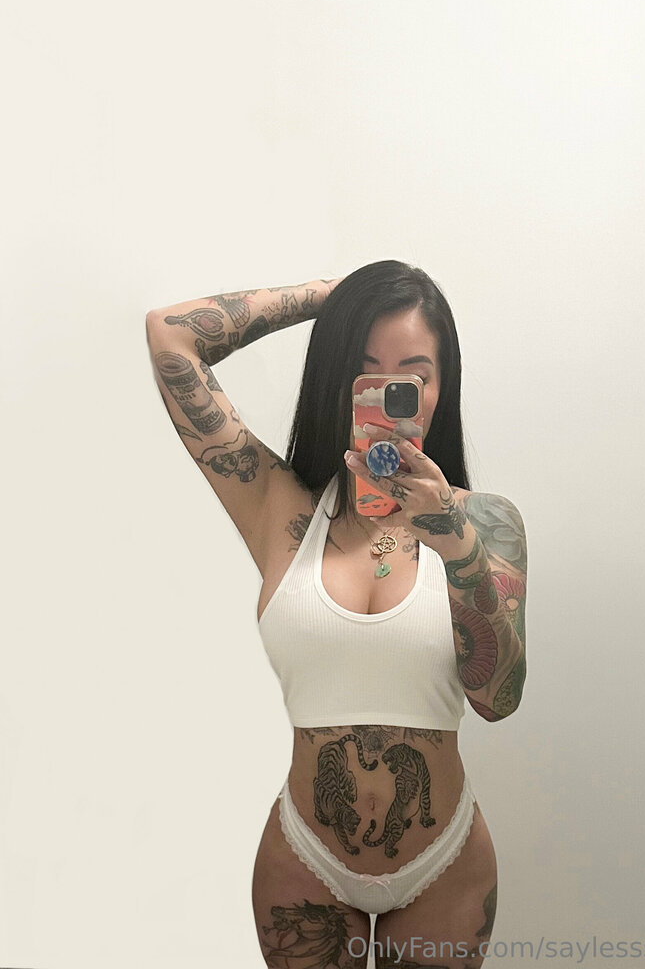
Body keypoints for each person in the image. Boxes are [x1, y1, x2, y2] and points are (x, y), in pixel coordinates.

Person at [145, 260, 528, 968]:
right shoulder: (277, 506)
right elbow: (170, 336)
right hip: (305, 859)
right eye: (364, 372)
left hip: (445, 861)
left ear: (441, 388)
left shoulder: (486, 524)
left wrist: (458, 547)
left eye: (412, 376)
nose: (388, 392)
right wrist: (335, 295)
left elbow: (497, 698)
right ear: (334, 380)